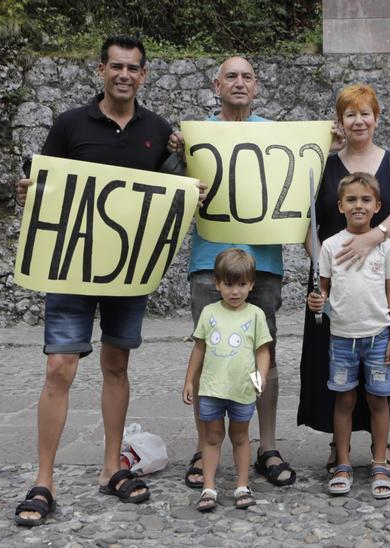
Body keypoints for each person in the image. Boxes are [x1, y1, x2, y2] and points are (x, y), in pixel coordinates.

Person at [11, 36, 178, 526]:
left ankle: (111, 469)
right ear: (101, 70)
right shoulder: (70, 124)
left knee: (116, 365)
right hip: (70, 266)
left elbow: (168, 192)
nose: (124, 74)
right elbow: (44, 182)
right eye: (116, 66)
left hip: (126, 271)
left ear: (143, 75)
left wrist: (186, 171)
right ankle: (44, 479)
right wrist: (30, 193)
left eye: (133, 68)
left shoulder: (158, 131)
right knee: (60, 367)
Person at [169, 56, 296, 489]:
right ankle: (206, 447)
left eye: (247, 77)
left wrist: (326, 145)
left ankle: (267, 445)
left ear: (256, 86)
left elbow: (304, 175)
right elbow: (170, 189)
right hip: (209, 262)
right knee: (210, 353)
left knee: (265, 353)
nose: (239, 83)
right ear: (216, 84)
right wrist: (177, 158)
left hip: (264, 264)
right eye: (231, 77)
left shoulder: (276, 135)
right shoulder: (194, 137)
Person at [296, 83, 390, 471]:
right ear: (340, 121)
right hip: (335, 285)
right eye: (350, 114)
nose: (358, 120)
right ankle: (339, 445)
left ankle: (381, 449)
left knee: (380, 371)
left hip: (380, 284)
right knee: (335, 373)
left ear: (377, 118)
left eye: (365, 113)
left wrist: (373, 240)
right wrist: (323, 265)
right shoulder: (324, 165)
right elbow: (305, 219)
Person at [306, 172, 390, 498]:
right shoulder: (330, 247)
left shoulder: (386, 247)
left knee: (379, 399)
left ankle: (379, 461)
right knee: (344, 399)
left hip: (378, 336)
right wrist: (316, 304)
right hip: (342, 339)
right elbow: (323, 294)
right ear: (340, 205)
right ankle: (344, 462)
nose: (358, 205)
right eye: (351, 199)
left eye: (365, 200)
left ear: (378, 206)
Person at [181, 249, 272, 511]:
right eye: (229, 284)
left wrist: (261, 377)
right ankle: (209, 487)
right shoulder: (209, 313)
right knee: (212, 437)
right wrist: (189, 381)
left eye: (242, 284)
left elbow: (262, 350)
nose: (235, 291)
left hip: (243, 389)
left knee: (240, 436)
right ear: (217, 283)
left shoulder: (255, 315)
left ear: (251, 284)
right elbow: (199, 348)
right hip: (211, 389)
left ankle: (242, 485)